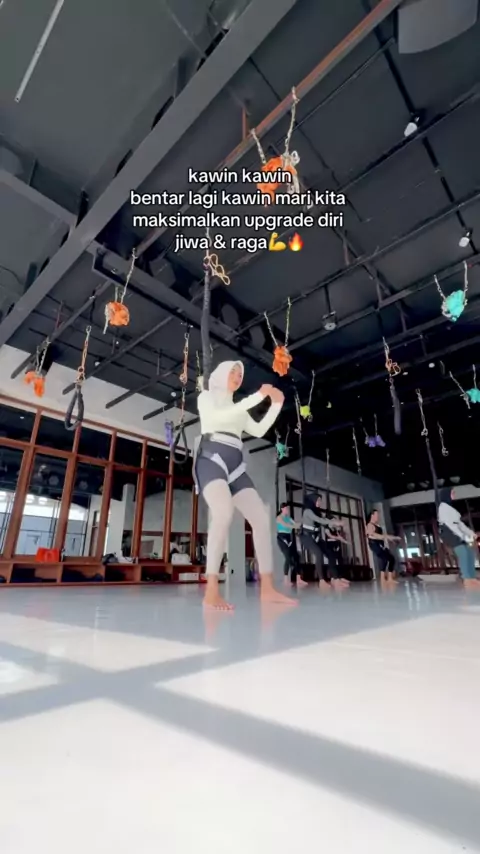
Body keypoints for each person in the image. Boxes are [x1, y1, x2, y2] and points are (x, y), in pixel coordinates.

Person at [195, 360, 296, 611]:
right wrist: (257, 397)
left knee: (261, 519)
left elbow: (259, 430)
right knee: (223, 513)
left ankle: (268, 588)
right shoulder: (206, 397)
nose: (237, 376)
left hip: (236, 466)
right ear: (221, 373)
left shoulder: (238, 409)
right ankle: (211, 591)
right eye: (233, 371)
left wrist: (276, 404)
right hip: (211, 459)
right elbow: (219, 417)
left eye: (240, 373)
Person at [300, 493, 350, 590]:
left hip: (316, 538)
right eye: (318, 500)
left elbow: (325, 522)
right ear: (313, 500)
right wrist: (335, 522)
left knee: (330, 554)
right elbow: (319, 520)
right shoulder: (307, 511)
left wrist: (336, 524)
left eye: (320, 500)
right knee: (318, 553)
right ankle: (321, 581)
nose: (320, 502)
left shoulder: (317, 512)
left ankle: (335, 579)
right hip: (306, 537)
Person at [437, 487, 480, 588]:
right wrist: (463, 536)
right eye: (452, 493)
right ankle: (467, 579)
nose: (454, 495)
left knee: (470, 552)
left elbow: (460, 524)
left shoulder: (450, 507)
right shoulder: (443, 507)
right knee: (463, 553)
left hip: (455, 531)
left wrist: (471, 533)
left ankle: (472, 578)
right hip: (449, 532)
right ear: (446, 495)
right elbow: (451, 525)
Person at [276, 503, 307, 587]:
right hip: (282, 538)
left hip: (289, 538)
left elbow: (296, 524)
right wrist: (294, 526)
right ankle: (285, 580)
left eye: (288, 508)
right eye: (286, 508)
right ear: (282, 509)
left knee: (296, 557)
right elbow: (286, 525)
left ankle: (299, 579)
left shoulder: (289, 518)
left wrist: (301, 523)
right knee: (288, 558)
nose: (287, 510)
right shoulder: (279, 518)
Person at [365, 509, 400, 584]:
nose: (378, 516)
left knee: (391, 559)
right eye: (377, 515)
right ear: (372, 515)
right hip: (374, 544)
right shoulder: (369, 525)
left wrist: (391, 540)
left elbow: (382, 536)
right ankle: (382, 578)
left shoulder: (378, 525)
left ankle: (389, 578)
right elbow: (375, 535)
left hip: (380, 544)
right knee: (385, 559)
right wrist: (393, 537)